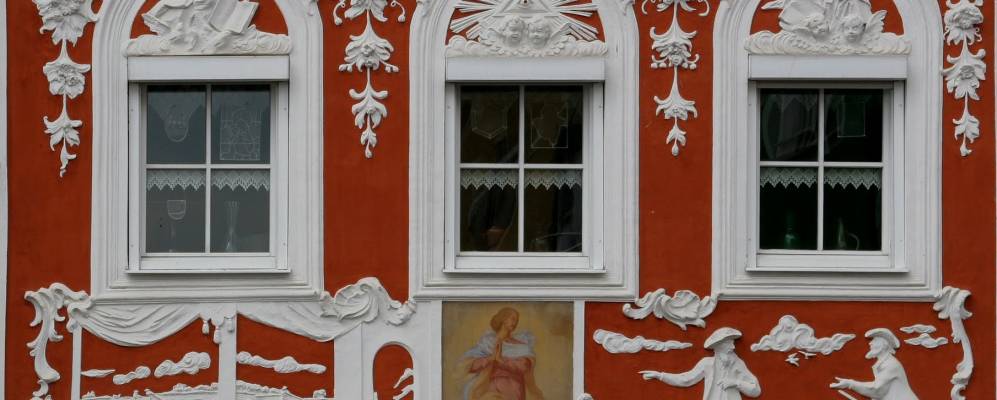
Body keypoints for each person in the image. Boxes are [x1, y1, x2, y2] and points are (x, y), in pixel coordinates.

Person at [640, 327, 761, 400]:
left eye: (733, 343)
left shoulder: (737, 364)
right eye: (728, 344)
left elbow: (756, 390)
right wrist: (660, 375)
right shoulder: (707, 364)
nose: (733, 347)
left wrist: (735, 382)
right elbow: (686, 379)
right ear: (718, 346)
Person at [460, 307, 545, 400]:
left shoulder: (520, 346)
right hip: (491, 389)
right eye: (513, 319)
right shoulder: (488, 342)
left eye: (517, 320)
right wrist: (490, 359)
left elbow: (524, 366)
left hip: (513, 389)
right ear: (504, 319)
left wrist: (501, 360)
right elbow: (470, 365)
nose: (515, 322)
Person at [830, 328, 918, 400]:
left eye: (874, 341)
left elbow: (877, 390)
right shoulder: (883, 363)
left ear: (883, 345)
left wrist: (850, 384)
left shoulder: (891, 364)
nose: (870, 343)